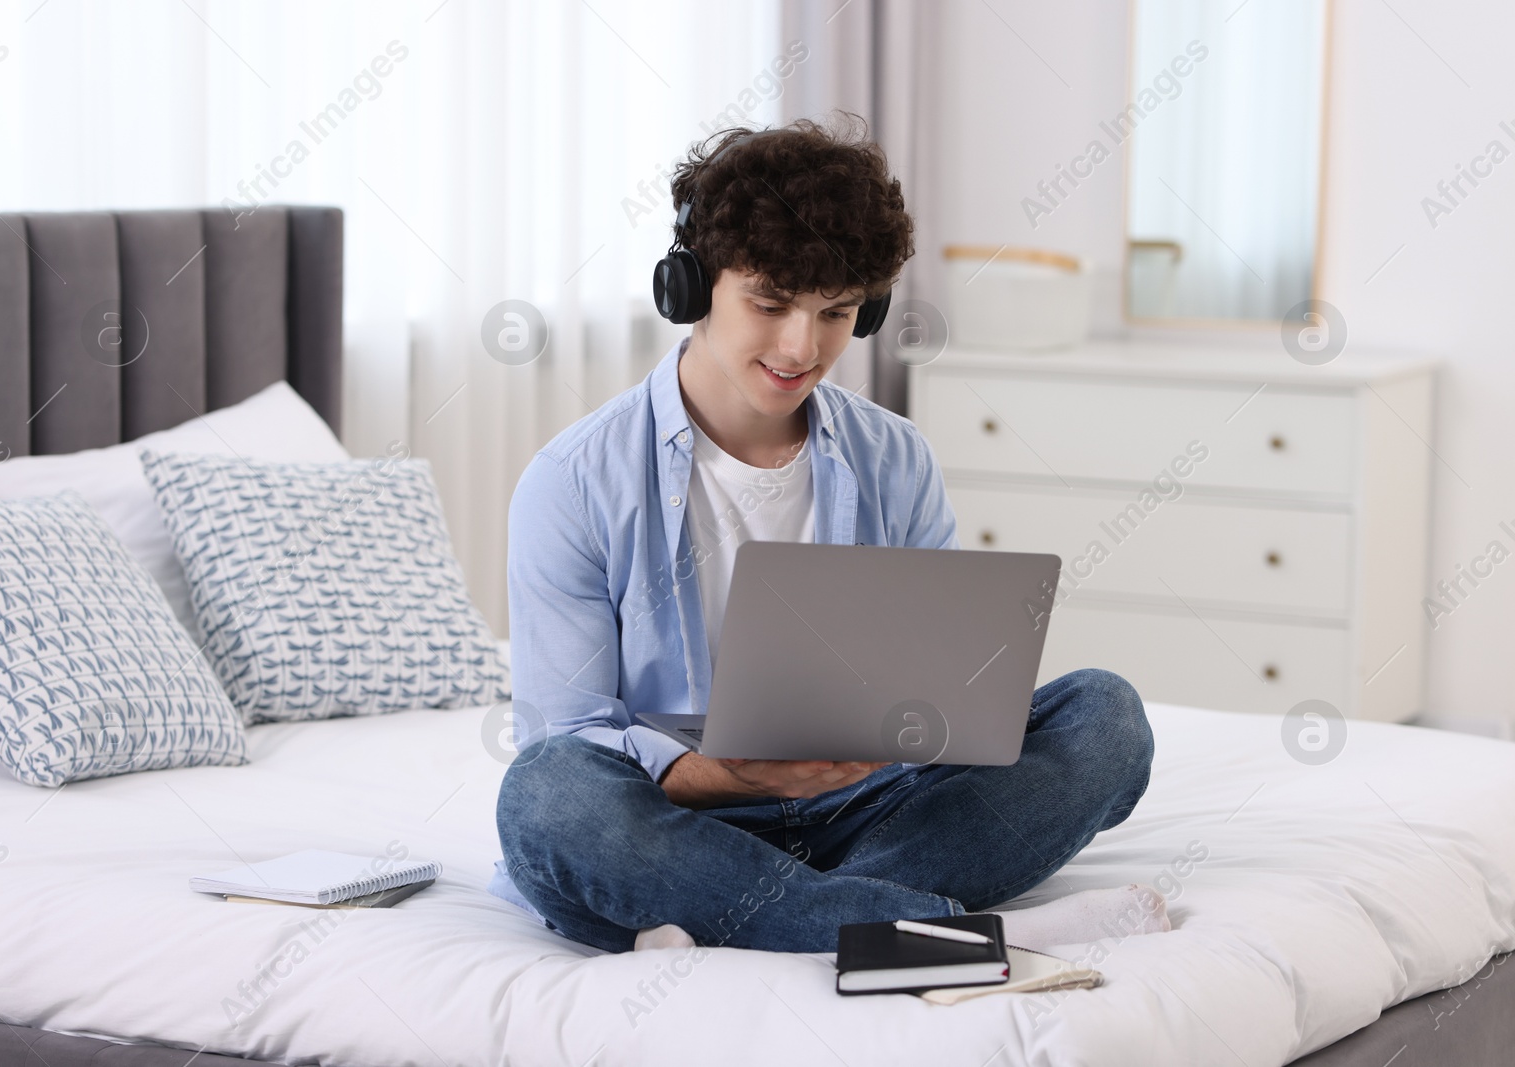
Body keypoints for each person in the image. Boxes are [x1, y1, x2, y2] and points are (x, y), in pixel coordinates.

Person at [493, 117, 1165, 955]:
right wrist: (731, 775)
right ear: (691, 287)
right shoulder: (574, 481)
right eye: (770, 304)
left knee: (1106, 718)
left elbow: (942, 680)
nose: (801, 346)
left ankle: (768, 917)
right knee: (546, 799)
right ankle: (936, 930)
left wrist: (926, 724)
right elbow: (571, 731)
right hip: (676, 814)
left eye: (838, 311)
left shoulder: (895, 456)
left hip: (871, 807)